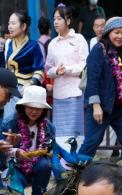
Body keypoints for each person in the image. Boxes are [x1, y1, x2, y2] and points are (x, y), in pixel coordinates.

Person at [80, 16, 122, 159]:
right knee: (92, 141)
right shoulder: (99, 49)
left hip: (119, 107)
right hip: (102, 106)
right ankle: (75, 174)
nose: (120, 36)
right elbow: (93, 78)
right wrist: (96, 105)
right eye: (116, 32)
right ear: (108, 32)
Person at [1, 84, 56, 195]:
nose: (34, 111)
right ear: (23, 106)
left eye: (38, 108)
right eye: (30, 107)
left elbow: (51, 151)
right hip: (14, 166)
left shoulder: (49, 127)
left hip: (37, 166)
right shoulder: (10, 122)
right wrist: (16, 151)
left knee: (45, 165)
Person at [46, 4, 89, 147]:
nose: (55, 22)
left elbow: (85, 65)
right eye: (54, 19)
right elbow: (48, 69)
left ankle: (76, 164)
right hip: (58, 95)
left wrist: (68, 69)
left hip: (75, 92)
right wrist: (57, 72)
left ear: (68, 21)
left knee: (75, 133)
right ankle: (62, 164)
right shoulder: (52, 43)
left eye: (59, 18)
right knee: (60, 133)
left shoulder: (79, 39)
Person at [3, 11, 45, 118]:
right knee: (9, 122)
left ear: (24, 26)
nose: (10, 27)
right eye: (9, 23)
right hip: (10, 90)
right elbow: (6, 68)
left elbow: (40, 70)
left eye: (13, 23)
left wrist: (30, 85)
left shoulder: (34, 46)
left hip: (27, 90)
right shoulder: (8, 43)